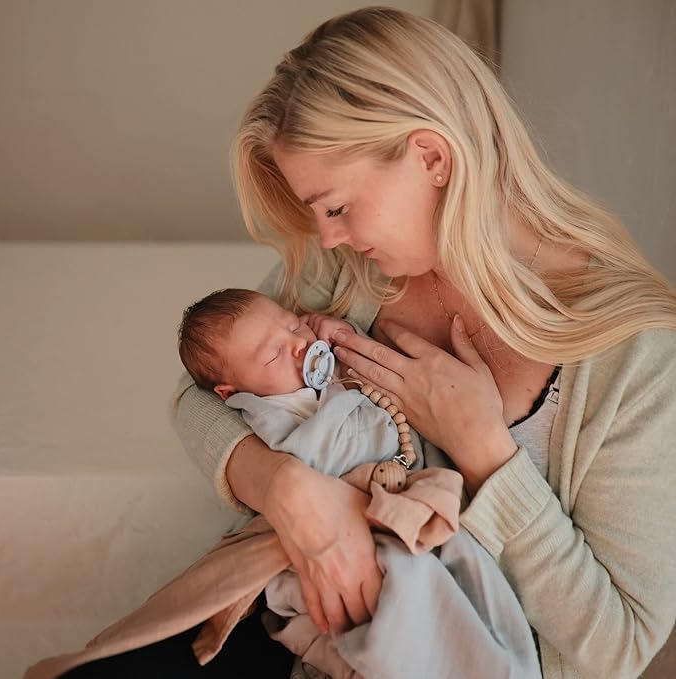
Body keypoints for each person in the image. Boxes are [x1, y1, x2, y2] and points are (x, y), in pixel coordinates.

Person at [49, 5, 676, 678]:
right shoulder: (350, 272)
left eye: (338, 207)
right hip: (300, 621)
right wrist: (290, 491)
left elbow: (620, 645)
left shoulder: (635, 358)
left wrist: (486, 453)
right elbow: (199, 393)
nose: (326, 237)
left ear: (431, 157)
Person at [174, 286, 540, 679]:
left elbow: (375, 379)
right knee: (409, 585)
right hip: (350, 524)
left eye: (294, 325)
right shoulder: (267, 413)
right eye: (274, 354)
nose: (298, 345)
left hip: (407, 508)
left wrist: (346, 340)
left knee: (474, 571)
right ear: (232, 393)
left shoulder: (321, 368)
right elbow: (319, 453)